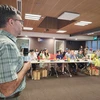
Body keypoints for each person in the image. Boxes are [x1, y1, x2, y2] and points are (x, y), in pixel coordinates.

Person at [0, 5, 31, 100]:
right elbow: (7, 90)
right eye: (21, 21)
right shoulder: (7, 45)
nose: (23, 25)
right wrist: (26, 67)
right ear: (11, 22)